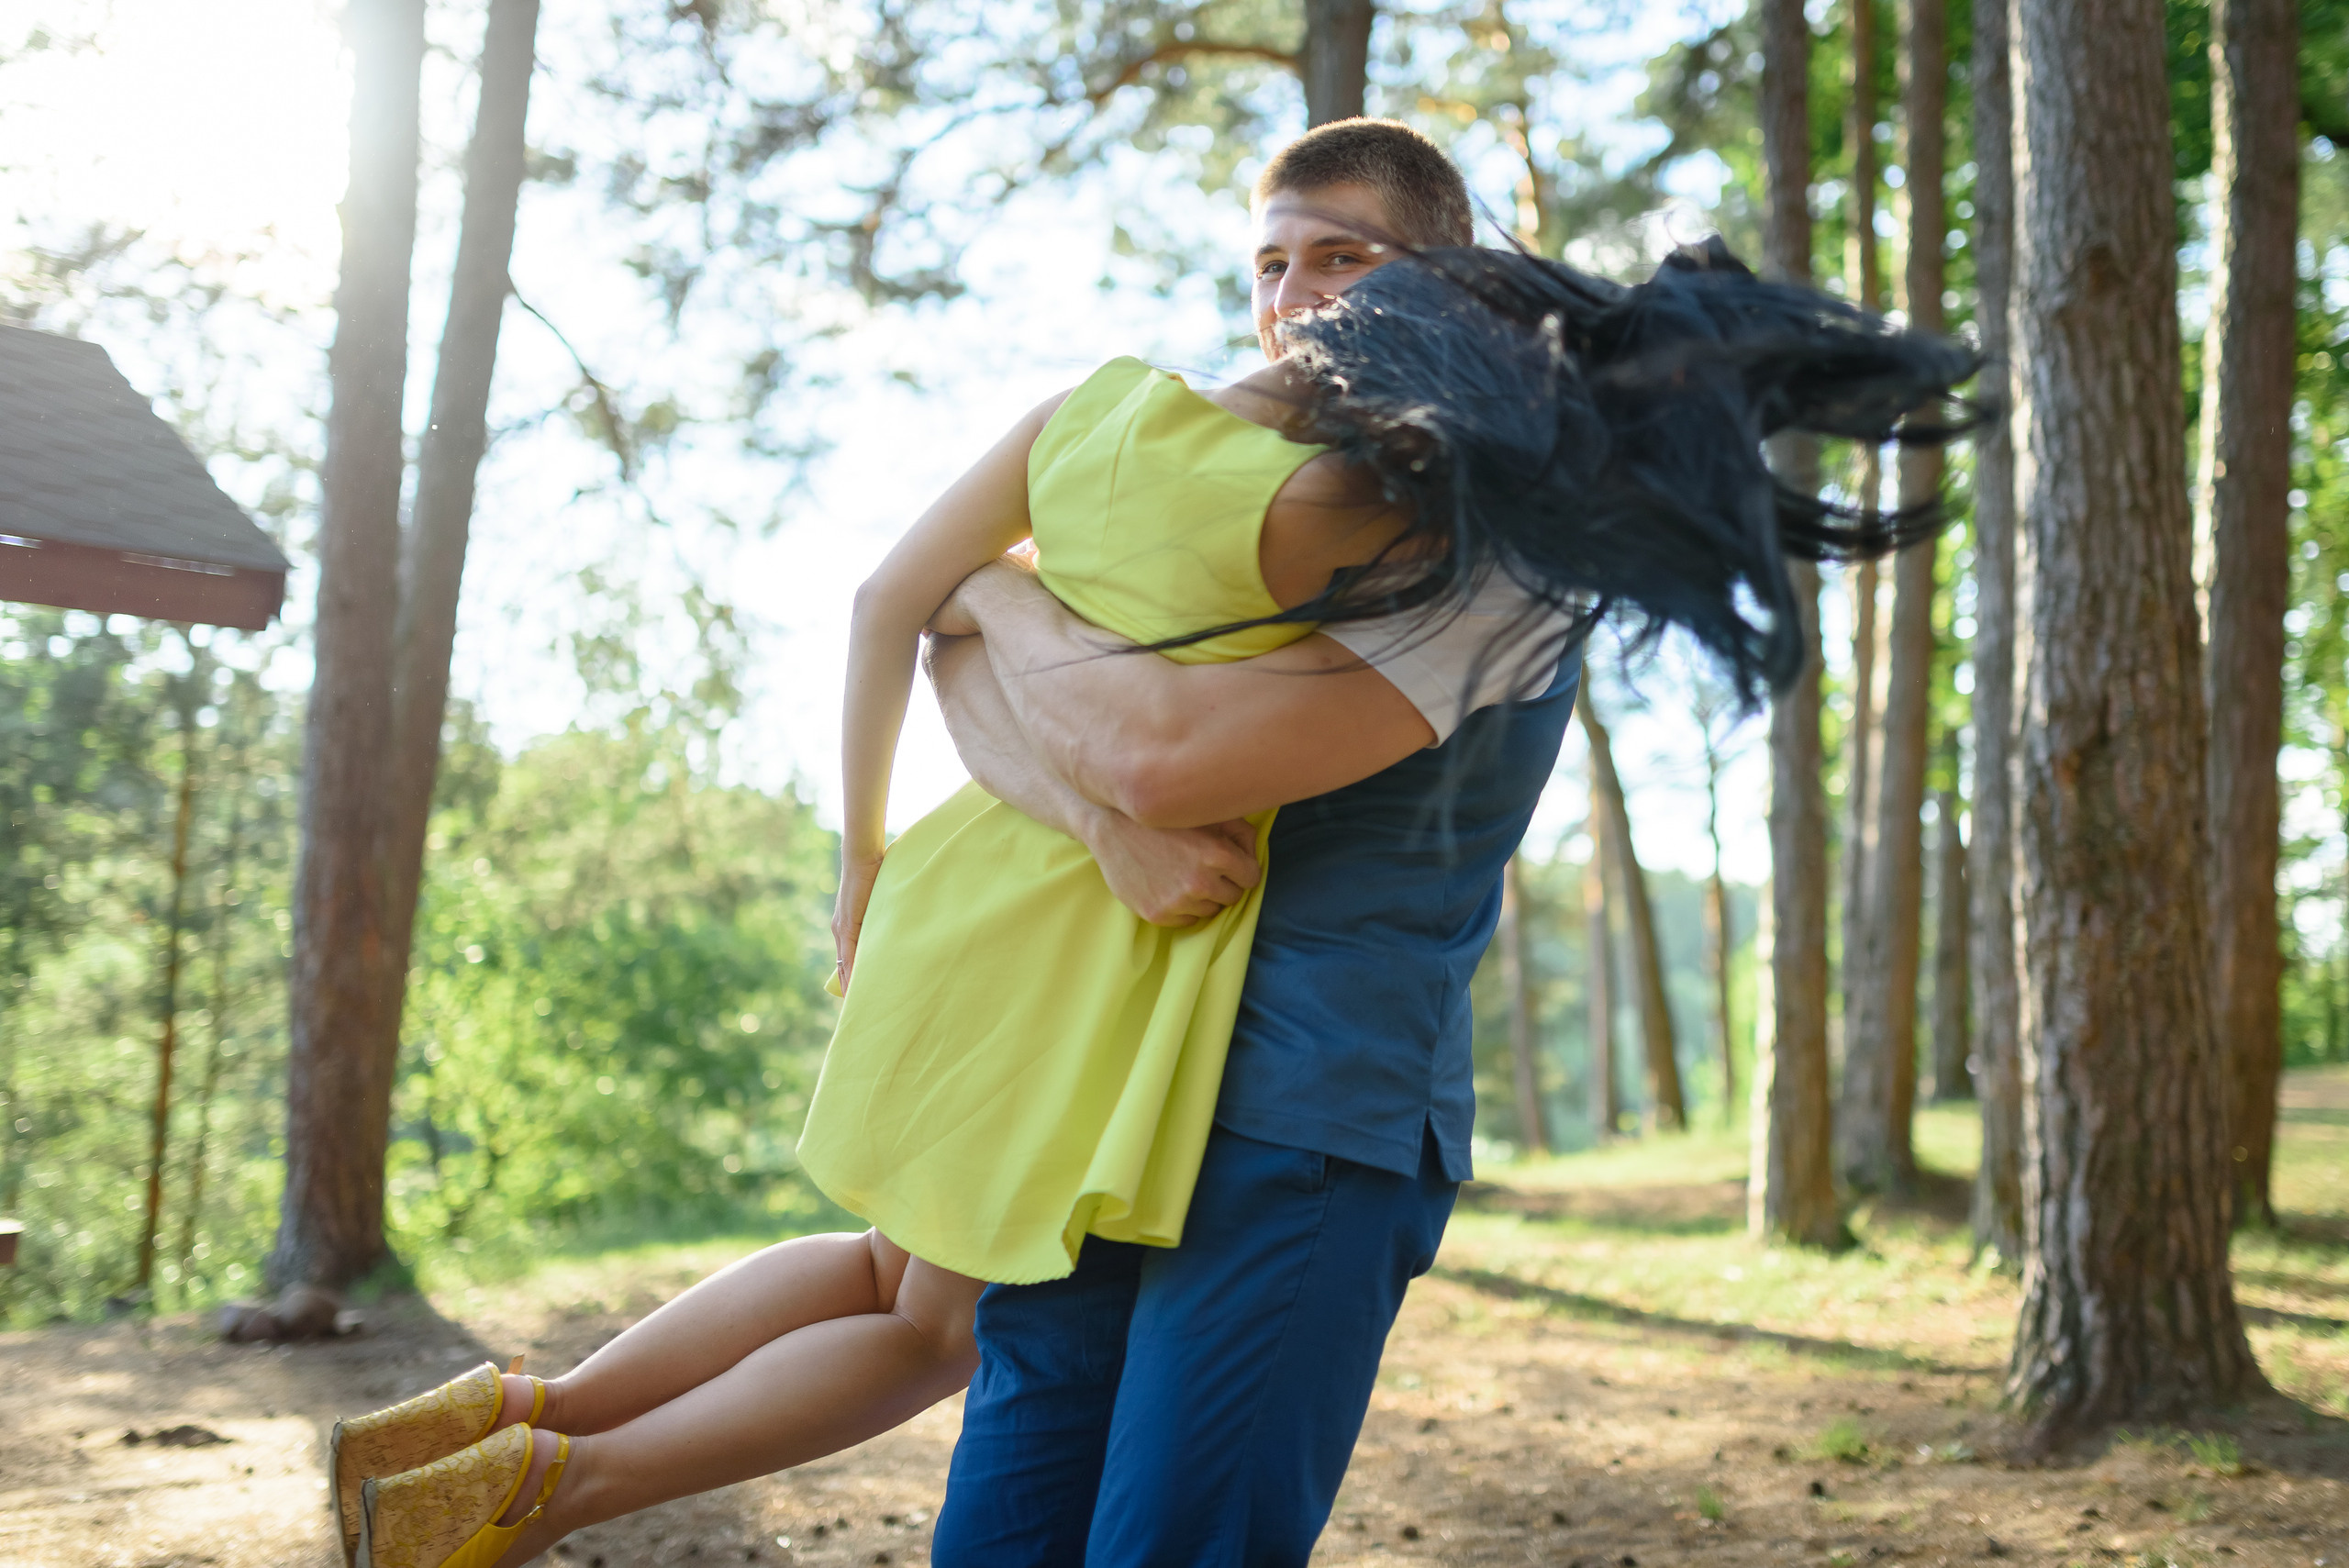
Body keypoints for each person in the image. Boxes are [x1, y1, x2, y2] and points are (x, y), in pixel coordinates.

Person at [328, 119, 1976, 1568]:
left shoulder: (1491, 541)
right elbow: (1003, 692)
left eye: (1347, 258)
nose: (1299, 297)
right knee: (1002, 1522)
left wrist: (994, 601)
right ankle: (534, 1450)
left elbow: (1148, 744)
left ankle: (543, 1455)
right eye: (1273, 264)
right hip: (1116, 1084)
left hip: (1303, 1111)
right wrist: (1016, 680)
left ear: (1450, 284)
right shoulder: (1228, 469)